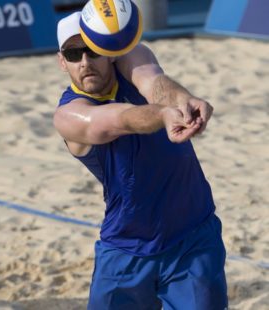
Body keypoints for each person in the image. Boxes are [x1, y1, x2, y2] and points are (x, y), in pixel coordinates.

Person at [53, 12, 228, 309]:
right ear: (62, 62)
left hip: (192, 237)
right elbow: (119, 119)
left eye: (93, 50)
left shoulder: (133, 57)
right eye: (73, 53)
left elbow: (156, 83)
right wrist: (162, 114)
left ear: (109, 51)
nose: (85, 61)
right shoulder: (69, 116)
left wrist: (182, 100)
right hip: (126, 249)